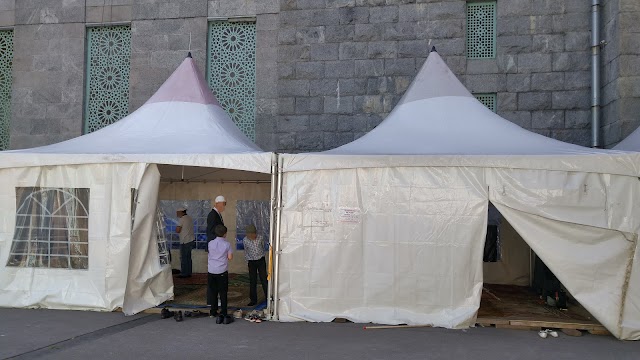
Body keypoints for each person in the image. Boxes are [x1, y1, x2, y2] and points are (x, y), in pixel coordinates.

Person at [207, 224, 234, 324]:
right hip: (222, 271)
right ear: (225, 234)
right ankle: (224, 312)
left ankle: (213, 312)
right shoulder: (227, 244)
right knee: (223, 293)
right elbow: (230, 257)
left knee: (213, 292)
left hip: (211, 270)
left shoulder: (210, 243)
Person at [243, 224, 268, 306]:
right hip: (251, 262)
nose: (252, 236)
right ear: (247, 234)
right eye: (250, 234)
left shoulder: (260, 238)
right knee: (252, 281)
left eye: (254, 234)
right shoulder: (245, 240)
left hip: (260, 260)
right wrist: (248, 260)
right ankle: (253, 300)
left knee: (264, 279)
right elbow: (246, 251)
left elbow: (263, 246)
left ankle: (268, 297)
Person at [175, 207, 194, 278]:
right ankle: (189, 273)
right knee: (188, 258)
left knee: (183, 258)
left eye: (177, 212)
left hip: (185, 241)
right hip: (191, 240)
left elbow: (177, 230)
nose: (176, 214)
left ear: (181, 212)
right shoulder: (189, 218)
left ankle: (184, 273)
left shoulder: (182, 219)